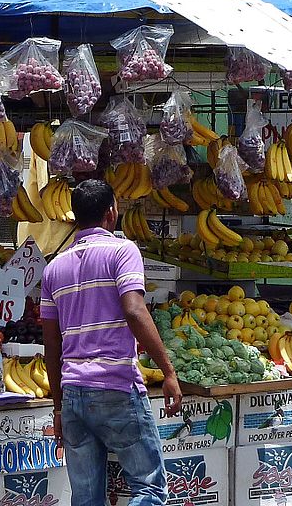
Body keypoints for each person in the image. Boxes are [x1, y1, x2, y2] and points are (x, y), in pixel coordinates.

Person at [40, 179, 181, 506]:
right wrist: (168, 371)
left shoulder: (53, 269)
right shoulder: (123, 251)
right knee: (149, 489)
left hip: (73, 395)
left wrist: (59, 408)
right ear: (111, 213)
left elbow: (51, 346)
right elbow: (134, 310)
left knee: (86, 499)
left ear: (75, 216)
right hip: (116, 388)